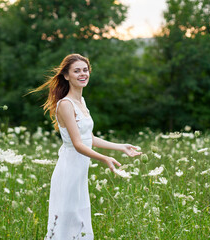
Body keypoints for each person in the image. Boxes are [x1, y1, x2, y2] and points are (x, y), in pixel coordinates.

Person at [31, 54, 141, 239]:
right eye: (77, 71)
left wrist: (120, 147)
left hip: (79, 171)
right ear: (66, 75)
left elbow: (89, 138)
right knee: (66, 223)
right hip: (69, 171)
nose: (83, 74)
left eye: (85, 70)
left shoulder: (81, 102)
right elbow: (77, 144)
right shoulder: (65, 104)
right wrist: (104, 158)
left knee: (80, 220)